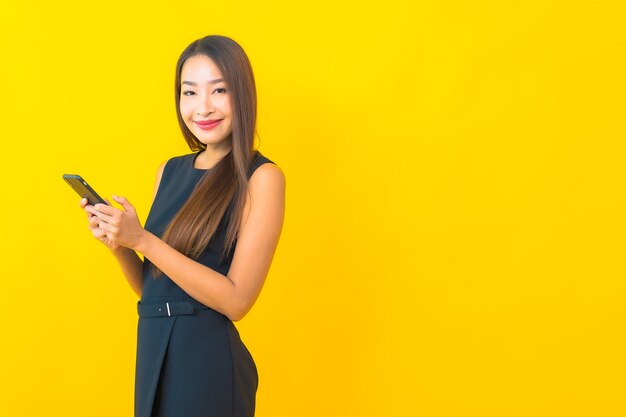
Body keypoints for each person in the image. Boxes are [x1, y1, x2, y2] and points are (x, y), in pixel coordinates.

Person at [79, 35, 286, 417]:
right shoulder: (169, 171)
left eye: (219, 90)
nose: (202, 107)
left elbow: (238, 301)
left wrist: (142, 238)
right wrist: (120, 245)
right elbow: (154, 289)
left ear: (242, 94)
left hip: (206, 363)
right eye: (189, 92)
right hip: (154, 351)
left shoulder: (262, 177)